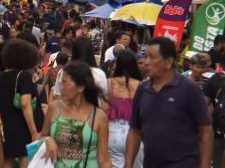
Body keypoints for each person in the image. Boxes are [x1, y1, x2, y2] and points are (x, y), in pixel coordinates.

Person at [125, 37, 213, 168]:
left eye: (152, 57)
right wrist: (128, 165)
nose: (146, 62)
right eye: (145, 56)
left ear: (168, 62)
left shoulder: (189, 89)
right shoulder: (142, 90)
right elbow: (134, 131)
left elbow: (206, 131)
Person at [42, 61, 112, 168]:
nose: (61, 87)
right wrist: (47, 140)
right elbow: (41, 137)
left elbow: (104, 160)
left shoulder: (98, 116)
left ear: (80, 87)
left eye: (65, 83)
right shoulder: (54, 108)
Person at [0, 39, 40, 168]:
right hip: (20, 125)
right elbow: (25, 103)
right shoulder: (24, 76)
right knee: (25, 157)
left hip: (3, 126)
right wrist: (34, 131)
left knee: (8, 158)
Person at [105, 50, 143, 168]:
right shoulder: (142, 85)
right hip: (135, 135)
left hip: (112, 134)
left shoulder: (108, 83)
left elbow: (103, 110)